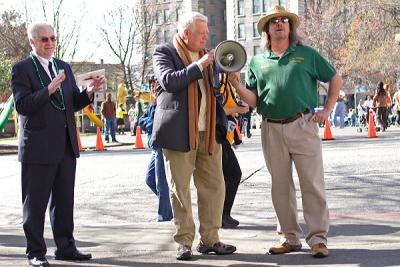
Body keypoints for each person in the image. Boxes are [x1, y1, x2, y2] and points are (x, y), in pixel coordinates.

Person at [229, 5, 342, 258]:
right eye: (274, 21)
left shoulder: (307, 54)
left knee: (312, 184)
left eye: (284, 21)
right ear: (267, 29)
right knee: (280, 187)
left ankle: (318, 239)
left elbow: (334, 78)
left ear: (290, 27)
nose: (279, 24)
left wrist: (327, 109)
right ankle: (289, 238)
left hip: (303, 124)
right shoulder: (258, 61)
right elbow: (254, 100)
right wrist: (237, 84)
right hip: (271, 127)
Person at [11, 22, 104, 267]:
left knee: (64, 202)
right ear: (32, 42)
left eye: (53, 38)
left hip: (65, 146)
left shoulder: (62, 66)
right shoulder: (21, 69)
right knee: (36, 204)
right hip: (38, 147)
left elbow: (71, 102)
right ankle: (35, 252)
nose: (50, 43)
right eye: (44, 39)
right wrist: (49, 89)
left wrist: (89, 92)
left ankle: (66, 247)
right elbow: (23, 105)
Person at [152, 11, 236, 261]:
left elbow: (212, 91)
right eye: (202, 34)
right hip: (179, 133)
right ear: (186, 33)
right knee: (180, 190)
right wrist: (198, 67)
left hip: (208, 132)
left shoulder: (207, 55)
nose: (206, 37)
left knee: (214, 187)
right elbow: (168, 81)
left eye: (207, 33)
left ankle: (210, 240)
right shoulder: (164, 52)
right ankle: (184, 242)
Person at [138, 76, 173, 222]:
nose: (153, 89)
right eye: (151, 86)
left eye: (155, 86)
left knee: (161, 182)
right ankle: (169, 208)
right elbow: (142, 121)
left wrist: (148, 123)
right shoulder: (153, 105)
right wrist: (148, 123)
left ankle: (164, 216)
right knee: (149, 180)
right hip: (154, 147)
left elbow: (153, 124)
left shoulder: (163, 102)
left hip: (161, 145)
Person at [219, 74, 249, 228]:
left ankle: (223, 215)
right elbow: (218, 110)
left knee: (229, 176)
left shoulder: (228, 84)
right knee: (232, 174)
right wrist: (237, 109)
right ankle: (222, 215)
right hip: (219, 137)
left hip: (225, 137)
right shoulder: (220, 82)